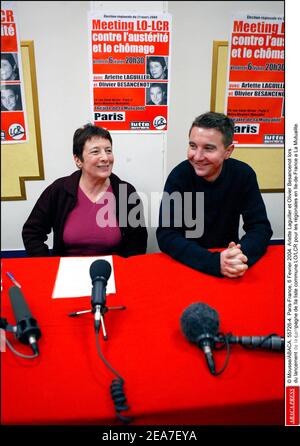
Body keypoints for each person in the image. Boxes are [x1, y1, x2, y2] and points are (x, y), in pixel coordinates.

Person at [156, 112, 273, 278]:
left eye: (208, 148)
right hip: (189, 264)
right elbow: (166, 234)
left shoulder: (243, 175)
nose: (197, 156)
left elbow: (260, 228)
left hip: (232, 261)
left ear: (228, 151)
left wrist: (239, 256)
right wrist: (214, 262)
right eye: (193, 146)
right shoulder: (179, 176)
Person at [22, 124, 148, 257]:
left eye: (108, 150)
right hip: (67, 272)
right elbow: (32, 232)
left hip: (113, 272)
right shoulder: (59, 190)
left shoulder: (125, 192)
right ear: (78, 160)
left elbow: (138, 242)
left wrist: (123, 270)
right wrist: (49, 266)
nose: (105, 157)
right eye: (95, 151)